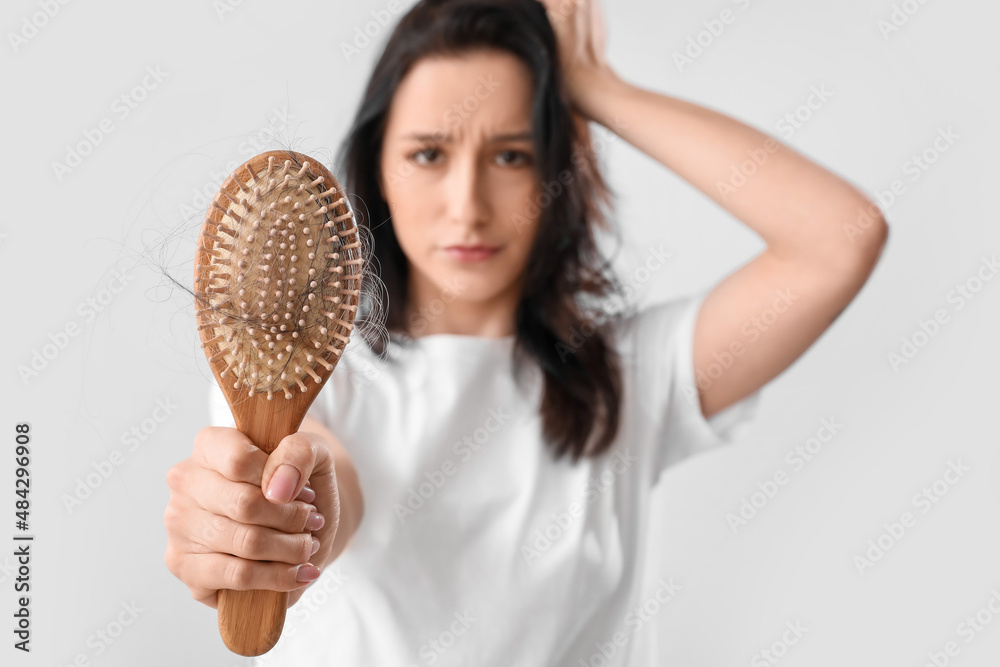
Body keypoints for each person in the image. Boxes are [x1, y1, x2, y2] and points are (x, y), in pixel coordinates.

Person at [163, 0, 888, 664]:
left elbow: (841, 238)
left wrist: (598, 89)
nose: (468, 204)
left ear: (557, 170)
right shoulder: (312, 372)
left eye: (511, 154)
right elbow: (327, 477)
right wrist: (285, 525)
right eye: (428, 153)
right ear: (378, 166)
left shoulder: (632, 374)